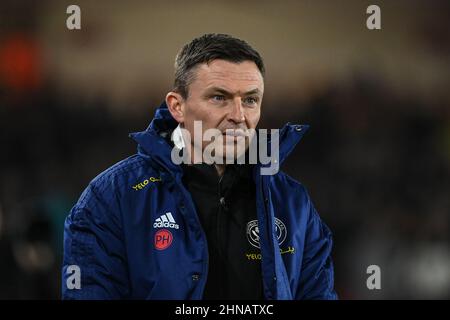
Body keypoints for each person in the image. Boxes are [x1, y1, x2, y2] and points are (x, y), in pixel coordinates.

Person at [62, 33, 337, 300]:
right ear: (177, 106)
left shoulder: (293, 202)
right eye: (219, 97)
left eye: (250, 100)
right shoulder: (112, 198)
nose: (238, 116)